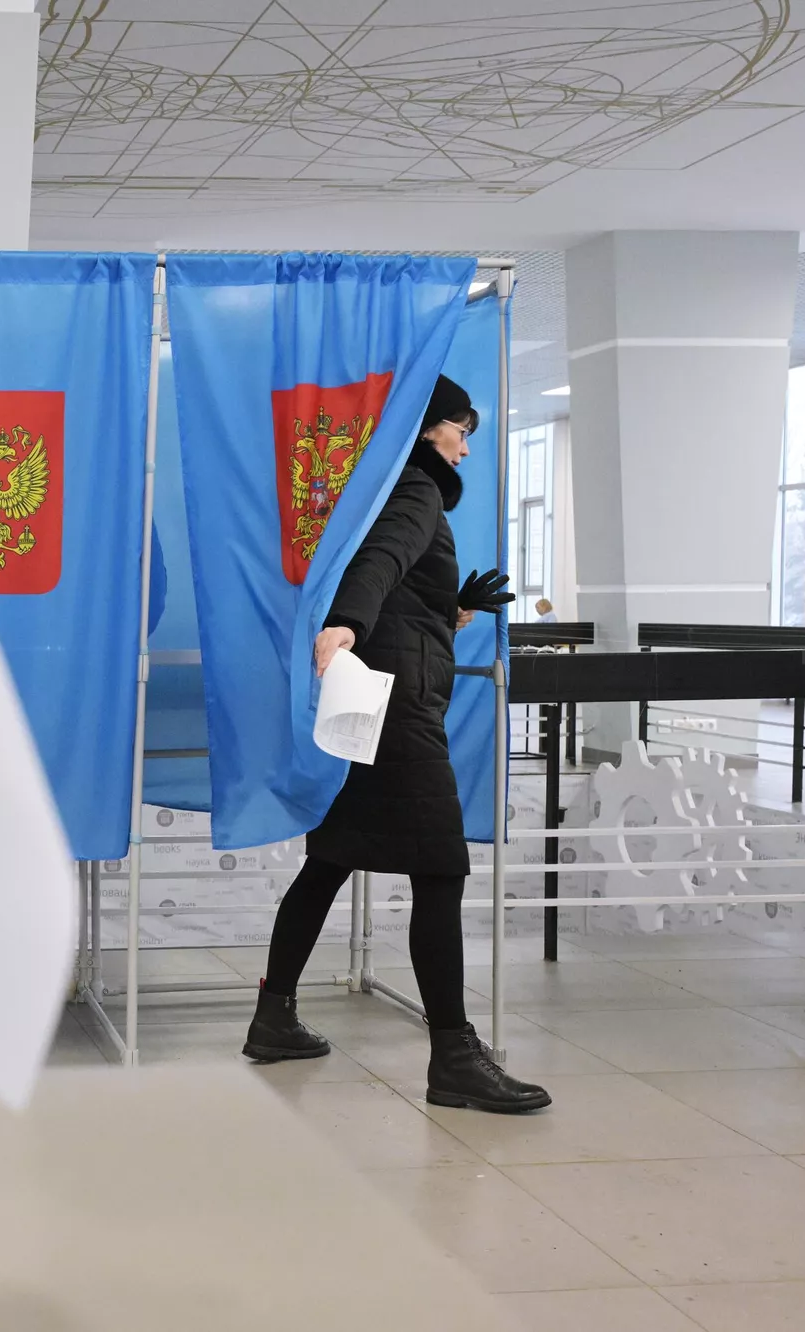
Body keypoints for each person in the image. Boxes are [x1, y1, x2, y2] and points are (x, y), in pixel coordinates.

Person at [242, 374, 551, 1114]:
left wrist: (451, 608)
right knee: (440, 870)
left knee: (331, 859)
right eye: (460, 429)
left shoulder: (387, 486)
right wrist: (346, 621)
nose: (466, 448)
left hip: (377, 707)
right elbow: (377, 563)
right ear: (425, 430)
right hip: (402, 715)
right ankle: (454, 1057)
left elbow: (397, 588)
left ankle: (273, 1016)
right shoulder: (415, 490)